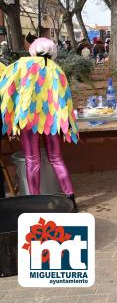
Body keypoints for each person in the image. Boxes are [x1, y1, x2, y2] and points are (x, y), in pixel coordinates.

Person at [0, 38, 79, 210]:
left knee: (32, 160)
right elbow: (64, 99)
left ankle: (34, 202)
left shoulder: (21, 65)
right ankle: (71, 198)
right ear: (52, 51)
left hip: (28, 120)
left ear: (34, 50)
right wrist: (67, 123)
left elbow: (7, 88)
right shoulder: (56, 69)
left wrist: (12, 117)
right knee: (56, 159)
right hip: (51, 120)